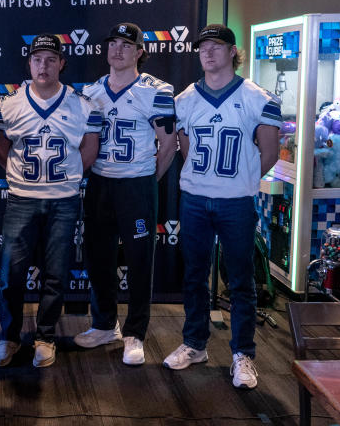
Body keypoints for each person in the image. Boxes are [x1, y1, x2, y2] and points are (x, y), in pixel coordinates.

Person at [164, 24, 280, 389]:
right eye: (203, 48)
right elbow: (183, 147)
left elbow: (271, 152)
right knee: (194, 275)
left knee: (241, 280)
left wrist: (240, 180)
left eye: (216, 46)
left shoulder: (258, 98)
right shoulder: (184, 100)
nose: (208, 53)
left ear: (233, 51)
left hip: (236, 203)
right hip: (195, 199)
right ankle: (195, 343)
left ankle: (243, 353)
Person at [0, 34, 102, 368]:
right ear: (29, 63)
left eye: (51, 59)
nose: (44, 65)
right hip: (22, 199)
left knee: (55, 274)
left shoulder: (83, 105)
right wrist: (26, 178)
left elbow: (90, 150)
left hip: (64, 202)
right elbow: (0, 146)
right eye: (38, 59)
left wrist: (64, 179)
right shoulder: (8, 105)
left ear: (61, 63)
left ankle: (45, 336)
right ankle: (8, 337)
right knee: (11, 272)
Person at [75, 22, 177, 366]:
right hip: (101, 182)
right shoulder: (91, 92)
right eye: (112, 43)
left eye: (125, 44)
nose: (117, 50)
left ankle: (135, 332)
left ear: (139, 52)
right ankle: (104, 324)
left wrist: (148, 178)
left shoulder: (157, 90)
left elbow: (169, 144)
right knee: (99, 258)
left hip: (136, 184)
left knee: (139, 260)